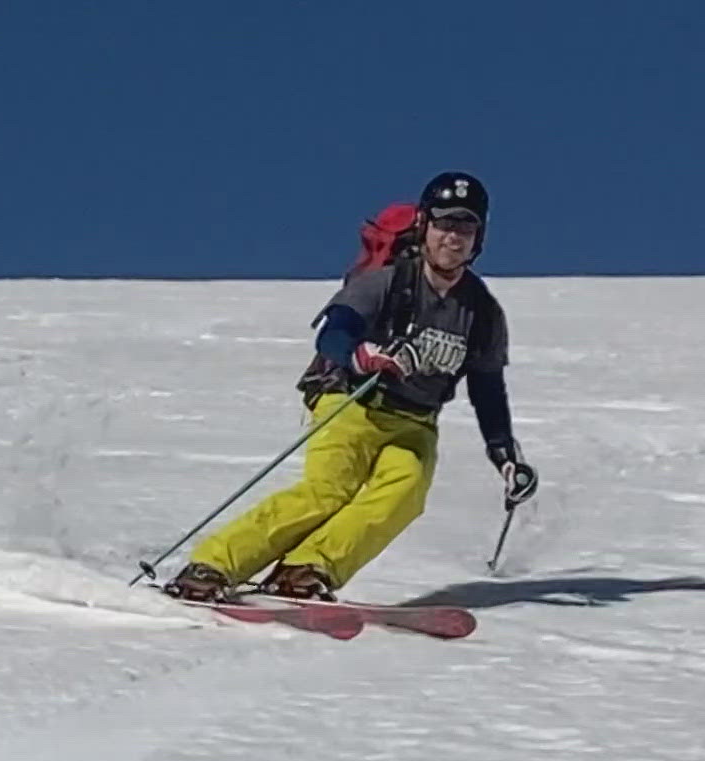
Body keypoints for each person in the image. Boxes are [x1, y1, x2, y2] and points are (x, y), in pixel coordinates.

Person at [163, 170, 538, 602]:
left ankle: (307, 569)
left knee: (402, 496)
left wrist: (505, 455)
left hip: (414, 424)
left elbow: (487, 389)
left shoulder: (482, 312)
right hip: (353, 402)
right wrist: (363, 355)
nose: (454, 237)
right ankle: (212, 566)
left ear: (480, 237)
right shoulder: (391, 282)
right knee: (327, 491)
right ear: (424, 226)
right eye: (445, 224)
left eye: (466, 226)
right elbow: (333, 333)